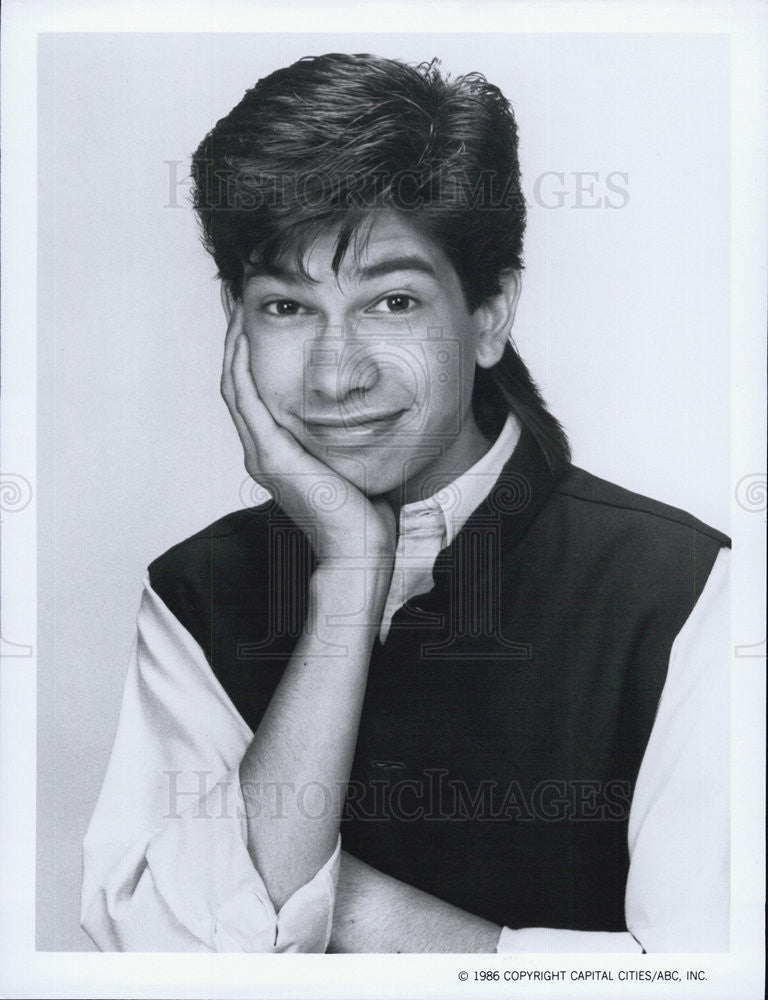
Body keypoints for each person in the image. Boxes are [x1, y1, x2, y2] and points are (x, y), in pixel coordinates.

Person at [81, 53, 730, 954]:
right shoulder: (197, 590)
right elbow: (157, 960)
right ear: (234, 321)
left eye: (391, 301)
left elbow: (710, 977)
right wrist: (348, 578)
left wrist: (320, 903)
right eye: (286, 307)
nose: (336, 375)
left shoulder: (684, 589)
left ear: (491, 310)